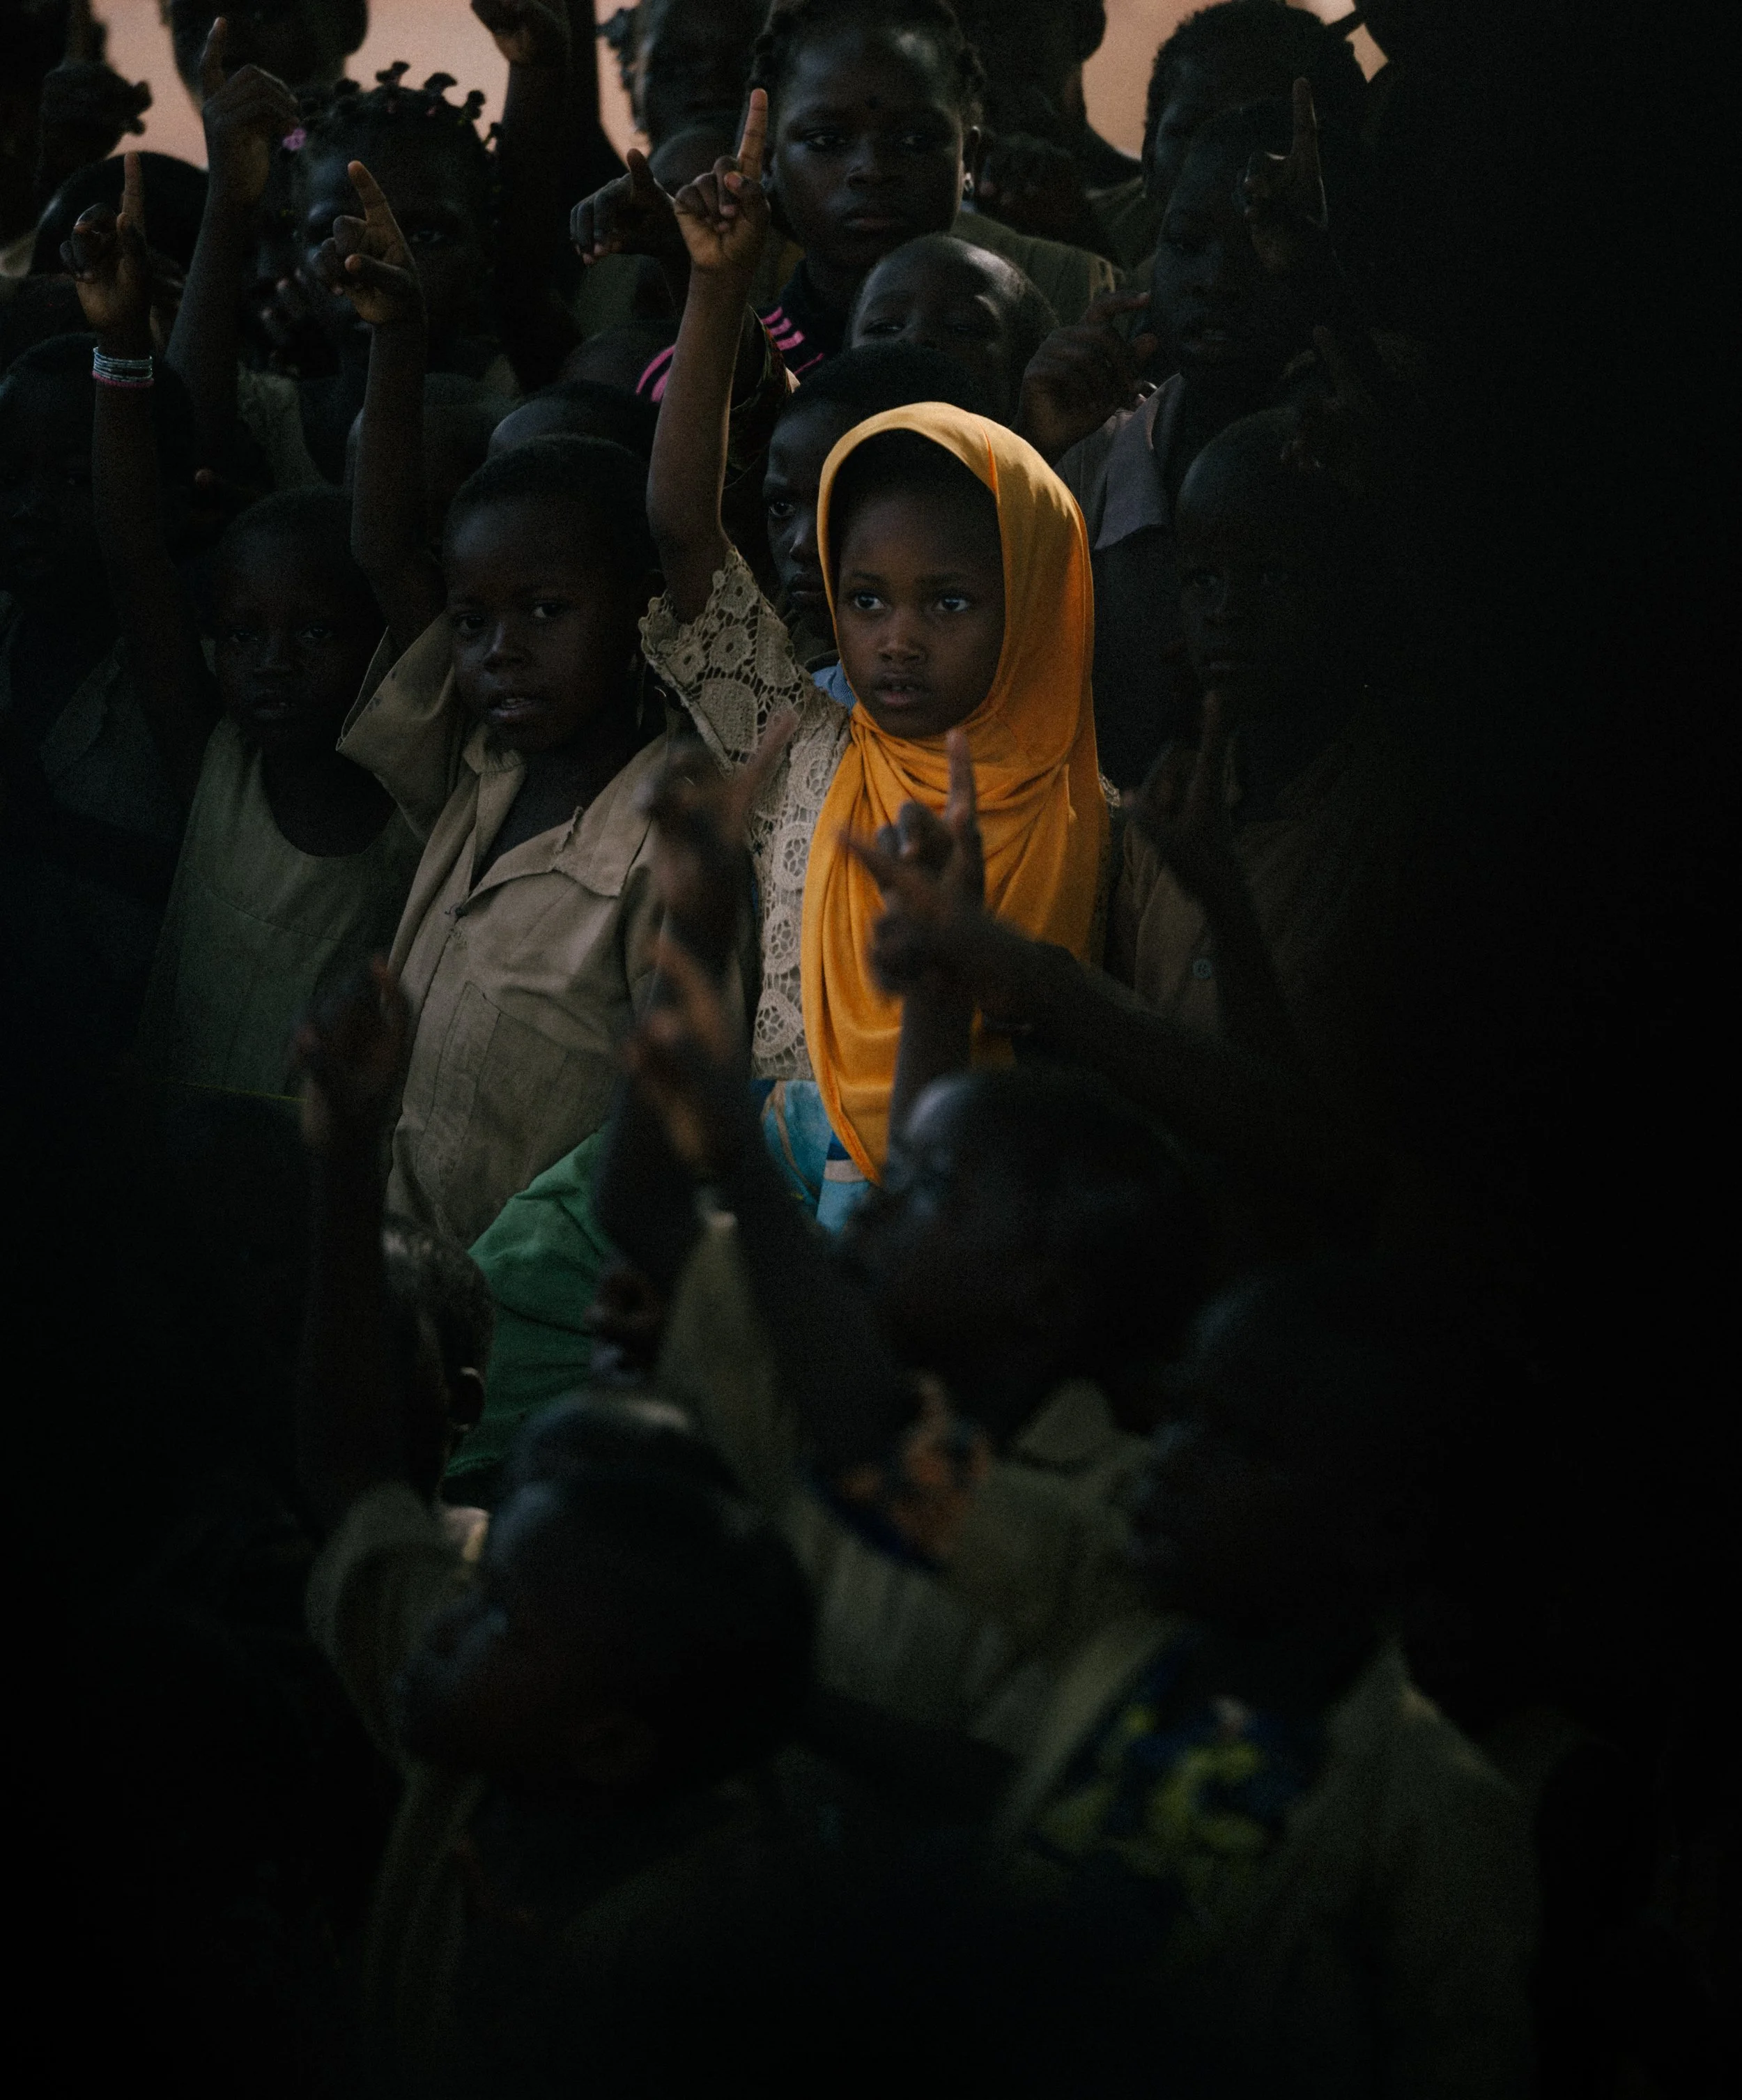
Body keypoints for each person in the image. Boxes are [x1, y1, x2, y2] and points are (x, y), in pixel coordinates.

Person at [290, 960, 815, 2094]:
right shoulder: (511, 1736)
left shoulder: (676, 1959)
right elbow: (356, 1476)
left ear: (610, 1743)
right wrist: (348, 1152)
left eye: (495, 1616)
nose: (445, 1616)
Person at [642, 95, 1107, 1221]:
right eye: (866, 599)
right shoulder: (805, 736)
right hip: (769, 1167)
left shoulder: (1093, 806)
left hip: (957, 1195)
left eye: (947, 600)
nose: (897, 637)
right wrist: (716, 287)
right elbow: (682, 532)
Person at [996, 1261, 1539, 2098]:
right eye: (1178, 1414)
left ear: (1379, 1528)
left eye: (1237, 1441)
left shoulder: (1437, 1817)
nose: (1166, 1463)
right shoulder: (1120, 1642)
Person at [325, 164, 670, 1251]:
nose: (501, 653)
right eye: (472, 623)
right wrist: (397, 335)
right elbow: (384, 548)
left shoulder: (667, 837)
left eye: (548, 611)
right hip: (393, 1276)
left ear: (643, 615)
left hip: (540, 1315)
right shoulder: (478, 767)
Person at [574, 0, 1116, 401]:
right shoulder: (700, 375)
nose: (872, 171)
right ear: (768, 166)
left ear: (967, 159)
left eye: (914, 141)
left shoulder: (1035, 363)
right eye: (828, 142)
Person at [1060, 87, 1369, 785]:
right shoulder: (1105, 452)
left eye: (1265, 246)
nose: (1217, 282)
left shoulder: (1348, 453)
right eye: (1187, 243)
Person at [0, 328, 190, 1053]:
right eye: (9, 480)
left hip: (141, 1054)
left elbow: (224, 884)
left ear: (165, 502)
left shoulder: (202, 679)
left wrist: (44, 828)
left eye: (76, 479)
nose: (29, 509)